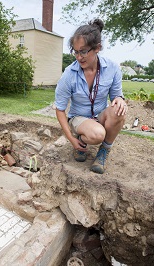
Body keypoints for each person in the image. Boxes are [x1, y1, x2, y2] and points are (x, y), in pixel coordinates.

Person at [54, 19, 127, 174]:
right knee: (98, 134)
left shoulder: (112, 68)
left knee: (119, 110)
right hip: (79, 118)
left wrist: (120, 99)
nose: (79, 57)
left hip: (99, 116)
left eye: (84, 51)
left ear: (97, 48)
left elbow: (116, 96)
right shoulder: (69, 74)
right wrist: (71, 139)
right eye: (76, 51)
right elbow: (60, 109)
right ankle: (81, 139)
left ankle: (104, 151)